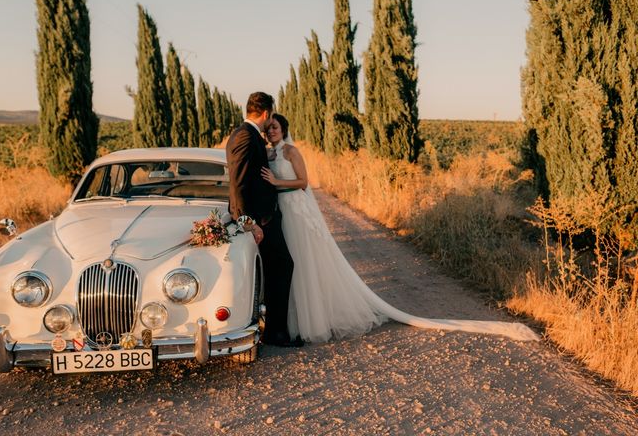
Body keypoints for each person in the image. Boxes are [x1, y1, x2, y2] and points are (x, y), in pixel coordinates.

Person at [261, 113, 539, 343]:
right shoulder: (270, 154)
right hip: (284, 212)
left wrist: (276, 183)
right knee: (291, 266)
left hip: (298, 209)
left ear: (284, 128)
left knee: (306, 262)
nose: (270, 131)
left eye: (274, 127)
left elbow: (303, 182)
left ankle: (310, 324)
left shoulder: (291, 151)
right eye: (268, 127)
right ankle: (290, 322)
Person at [226, 93, 301, 347]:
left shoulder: (245, 134)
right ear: (267, 112)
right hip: (262, 220)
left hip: (264, 217)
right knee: (283, 267)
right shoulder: (246, 136)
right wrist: (249, 221)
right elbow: (238, 183)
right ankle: (275, 333)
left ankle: (271, 330)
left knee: (274, 269)